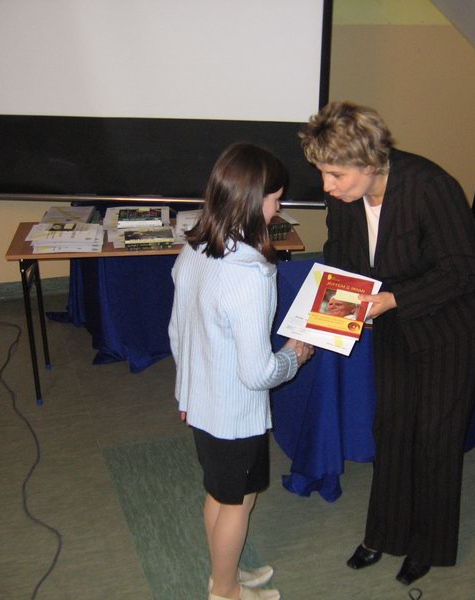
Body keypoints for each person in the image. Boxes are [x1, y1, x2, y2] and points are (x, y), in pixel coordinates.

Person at [299, 101, 475, 586]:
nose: (327, 186)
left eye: (335, 174)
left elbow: (463, 271)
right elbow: (341, 256)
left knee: (435, 435)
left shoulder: (430, 187)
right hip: (394, 321)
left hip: (452, 326)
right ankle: (383, 533)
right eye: (323, 173)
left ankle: (429, 544)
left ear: (369, 162)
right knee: (392, 427)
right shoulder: (345, 197)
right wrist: (324, 316)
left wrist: (392, 300)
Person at [168, 142, 314, 600]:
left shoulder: (195, 247)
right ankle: (226, 592)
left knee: (222, 493)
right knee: (236, 503)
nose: (278, 210)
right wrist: (295, 355)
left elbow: (176, 332)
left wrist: (185, 394)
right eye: (275, 200)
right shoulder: (251, 273)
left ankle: (223, 573)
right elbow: (257, 373)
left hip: (201, 400)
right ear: (252, 201)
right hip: (234, 413)